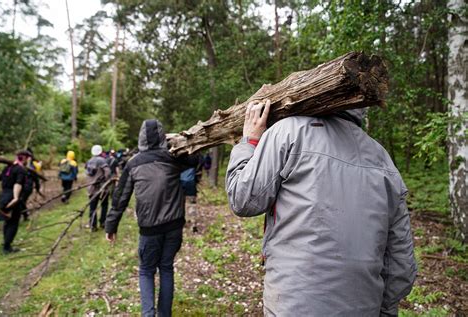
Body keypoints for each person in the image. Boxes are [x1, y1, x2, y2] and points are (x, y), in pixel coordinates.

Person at [226, 100, 417, 316]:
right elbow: (401, 264)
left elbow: (243, 199)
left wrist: (250, 141)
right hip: (364, 306)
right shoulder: (384, 160)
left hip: (293, 305)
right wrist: (383, 309)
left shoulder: (288, 132)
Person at [105, 119, 198, 317]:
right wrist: (178, 141)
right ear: (164, 136)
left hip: (150, 228)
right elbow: (195, 159)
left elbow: (120, 197)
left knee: (146, 271)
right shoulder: (173, 158)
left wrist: (111, 226)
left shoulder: (133, 164)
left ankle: (149, 314)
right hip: (174, 225)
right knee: (166, 267)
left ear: (141, 138)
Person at [0, 150, 31, 254]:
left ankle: (6, 243)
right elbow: (18, 183)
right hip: (12, 197)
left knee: (7, 221)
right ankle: (7, 247)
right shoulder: (21, 170)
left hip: (3, 196)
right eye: (28, 158)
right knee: (13, 222)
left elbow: (0, 178)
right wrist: (16, 198)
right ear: (25, 158)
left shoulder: (8, 168)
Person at [85, 145, 111, 231]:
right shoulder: (102, 160)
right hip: (102, 187)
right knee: (104, 205)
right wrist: (106, 180)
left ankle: (93, 225)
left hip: (91, 188)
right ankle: (103, 222)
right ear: (100, 151)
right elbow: (107, 172)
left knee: (93, 207)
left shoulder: (89, 161)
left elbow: (87, 174)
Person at [20, 148, 42, 221]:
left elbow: (36, 178)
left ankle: (25, 215)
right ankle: (24, 214)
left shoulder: (32, 166)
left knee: (22, 200)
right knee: (20, 201)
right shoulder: (19, 165)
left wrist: (37, 188)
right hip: (20, 186)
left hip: (27, 187)